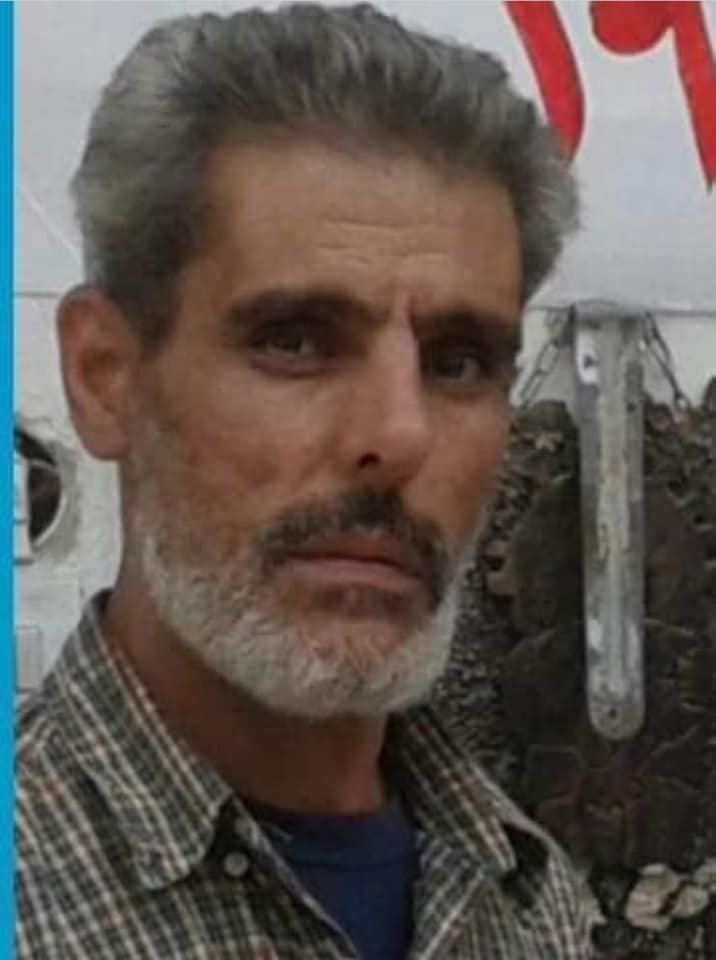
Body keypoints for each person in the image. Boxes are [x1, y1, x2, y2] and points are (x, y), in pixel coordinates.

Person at [16, 4, 590, 957]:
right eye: (294, 341)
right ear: (105, 376)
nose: (398, 435)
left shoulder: (528, 899)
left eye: (457, 362)